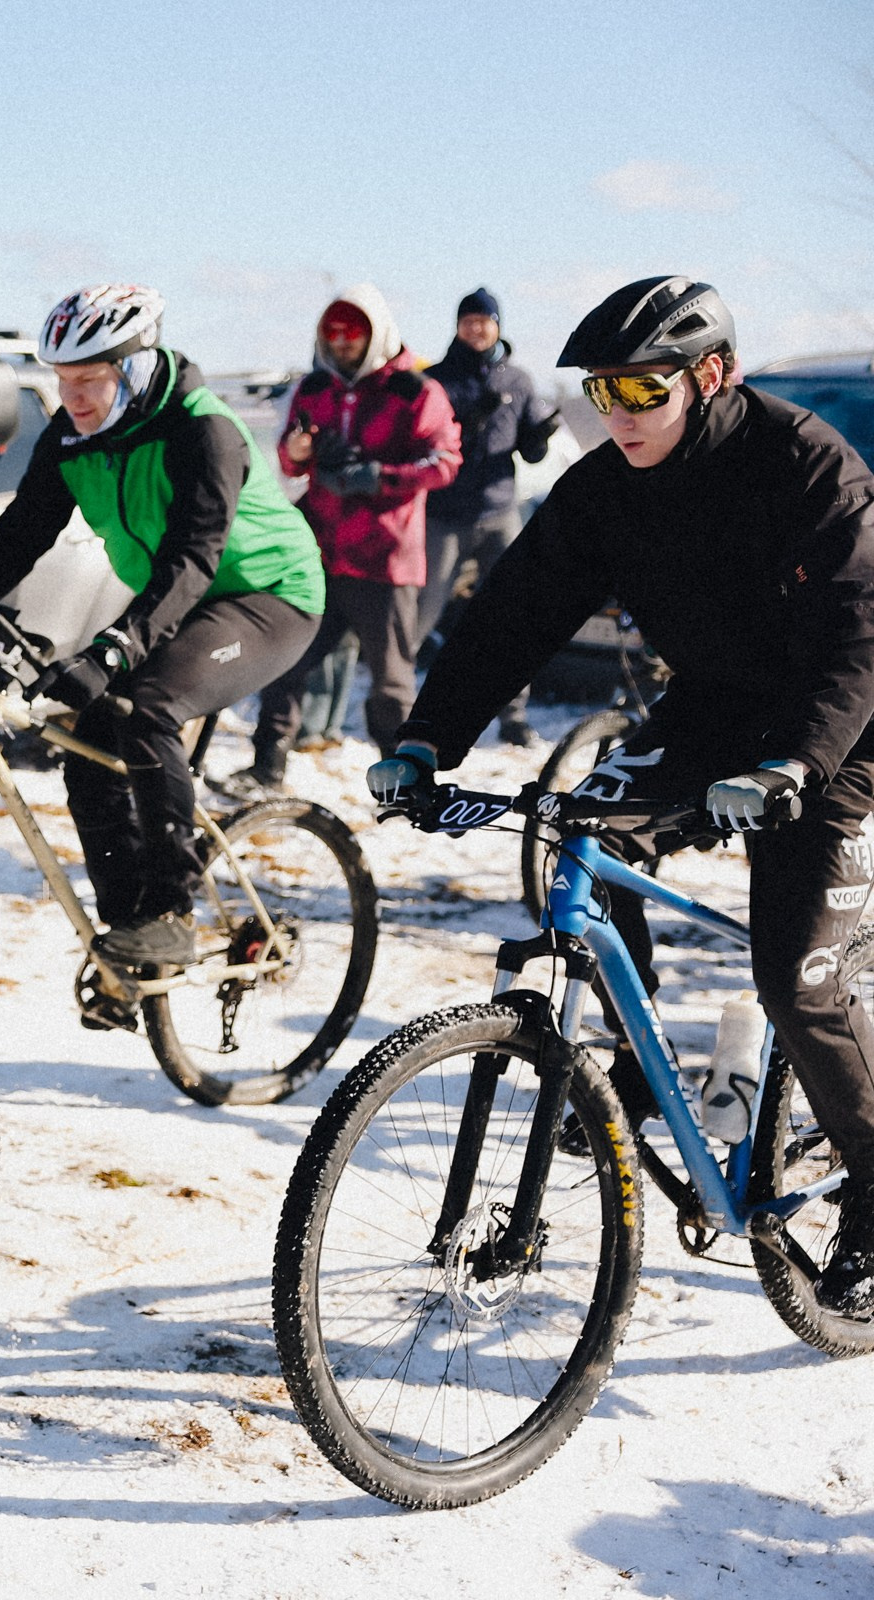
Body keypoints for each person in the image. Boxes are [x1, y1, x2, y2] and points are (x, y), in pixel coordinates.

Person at [367, 275, 874, 1319]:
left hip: (839, 728)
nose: (619, 413)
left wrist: (798, 765)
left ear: (711, 375)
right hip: (717, 708)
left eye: (643, 389)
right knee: (584, 836)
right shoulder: (603, 489)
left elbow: (860, 632)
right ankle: (639, 1074)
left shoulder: (804, 463)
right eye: (604, 391)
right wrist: (426, 740)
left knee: (796, 981)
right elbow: (513, 616)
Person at [0, 284, 325, 970]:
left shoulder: (202, 430)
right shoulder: (71, 435)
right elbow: (18, 538)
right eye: (62, 380)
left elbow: (192, 558)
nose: (73, 397)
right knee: (88, 742)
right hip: (176, 597)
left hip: (270, 596)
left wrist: (116, 649)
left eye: (90, 379)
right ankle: (128, 939)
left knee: (148, 709)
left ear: (135, 368)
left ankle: (171, 914)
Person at [248, 286, 461, 788]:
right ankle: (266, 767)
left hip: (384, 559)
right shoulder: (313, 388)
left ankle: (404, 781)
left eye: (354, 332)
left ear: (376, 332)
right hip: (319, 554)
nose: (342, 341)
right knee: (285, 661)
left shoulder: (414, 391)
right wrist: (298, 451)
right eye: (333, 332)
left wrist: (379, 476)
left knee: (390, 684)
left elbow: (445, 461)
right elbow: (288, 461)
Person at [414, 287, 559, 745]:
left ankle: (513, 717)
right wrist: (468, 423)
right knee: (420, 612)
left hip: (500, 511)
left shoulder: (518, 380)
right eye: (469, 321)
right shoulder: (436, 380)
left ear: (498, 326)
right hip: (445, 515)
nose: (476, 329)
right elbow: (421, 443)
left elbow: (531, 452)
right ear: (458, 327)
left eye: (484, 321)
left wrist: (539, 437)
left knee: (512, 614)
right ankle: (400, 707)